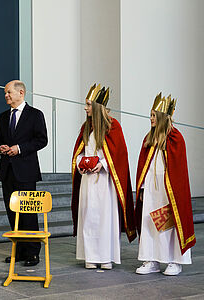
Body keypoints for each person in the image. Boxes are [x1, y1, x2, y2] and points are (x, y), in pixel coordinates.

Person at [71, 84, 137, 270]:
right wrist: (81, 164)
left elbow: (120, 155)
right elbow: (79, 152)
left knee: (104, 219)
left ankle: (106, 256)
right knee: (89, 217)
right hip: (87, 181)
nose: (85, 108)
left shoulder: (113, 126)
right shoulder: (86, 127)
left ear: (98, 106)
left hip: (105, 182)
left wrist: (103, 164)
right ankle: (90, 256)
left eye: (88, 104)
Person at [135, 93, 195, 276]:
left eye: (154, 115)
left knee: (171, 224)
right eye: (150, 115)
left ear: (161, 117)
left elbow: (178, 171)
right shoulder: (150, 138)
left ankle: (175, 261)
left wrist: (172, 190)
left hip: (169, 190)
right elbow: (145, 165)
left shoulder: (176, 138)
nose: (151, 118)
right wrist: (142, 186)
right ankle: (151, 259)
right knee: (150, 223)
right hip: (152, 190)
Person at [0, 80, 48, 267]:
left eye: (8, 92)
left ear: (21, 93)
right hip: (7, 171)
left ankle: (33, 252)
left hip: (26, 171)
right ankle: (20, 250)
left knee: (28, 213)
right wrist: (0, 147)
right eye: (5, 93)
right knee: (12, 213)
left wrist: (20, 148)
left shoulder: (35, 115)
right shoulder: (3, 117)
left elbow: (42, 140)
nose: (6, 96)